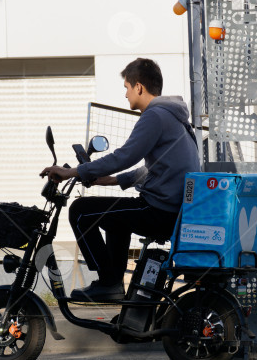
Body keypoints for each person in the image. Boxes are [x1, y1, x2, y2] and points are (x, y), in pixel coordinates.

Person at [40, 58, 200, 301]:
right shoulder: (174, 117)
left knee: (81, 211)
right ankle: (112, 284)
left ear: (138, 87)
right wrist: (110, 180)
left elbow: (124, 156)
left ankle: (108, 282)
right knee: (115, 218)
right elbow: (151, 169)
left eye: (126, 87)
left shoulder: (155, 116)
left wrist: (72, 172)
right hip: (173, 210)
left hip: (160, 211)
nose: (125, 95)